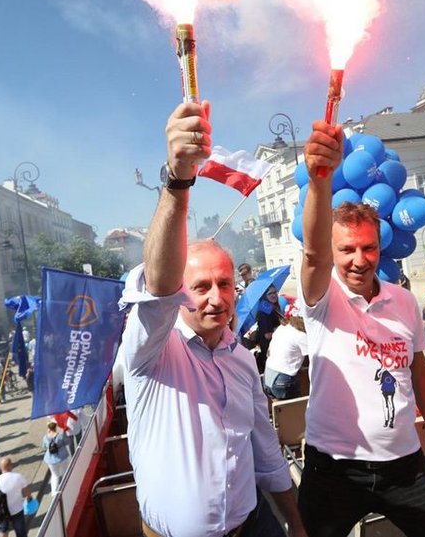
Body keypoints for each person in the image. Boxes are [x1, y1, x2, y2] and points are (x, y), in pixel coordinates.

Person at [119, 101, 303, 537]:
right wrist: (179, 179)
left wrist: (296, 525)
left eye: (224, 283)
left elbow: (264, 446)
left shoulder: (240, 358)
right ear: (181, 292)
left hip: (256, 526)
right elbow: (159, 287)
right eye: (201, 287)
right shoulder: (152, 352)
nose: (217, 298)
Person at [298, 121, 425, 537]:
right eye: (346, 250)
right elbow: (313, 256)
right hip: (333, 470)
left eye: (368, 247)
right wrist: (318, 182)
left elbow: (419, 373)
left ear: (380, 247)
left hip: (405, 467)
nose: (359, 259)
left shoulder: (403, 301)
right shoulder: (321, 299)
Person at [263, 303, 309, 400]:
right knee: (296, 411)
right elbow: (314, 358)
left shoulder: (282, 328)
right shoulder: (300, 335)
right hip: (283, 381)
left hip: (268, 377)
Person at [0, 458, 32, 537]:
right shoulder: (18, 477)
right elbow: (26, 492)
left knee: (3, 531)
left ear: (0, 468)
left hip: (1, 512)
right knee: (20, 532)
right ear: (11, 466)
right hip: (17, 510)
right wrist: (29, 498)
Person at [42, 421, 70, 492]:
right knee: (65, 473)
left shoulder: (45, 438)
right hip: (62, 457)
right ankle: (66, 488)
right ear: (55, 427)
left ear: (49, 428)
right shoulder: (61, 435)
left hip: (51, 460)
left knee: (54, 476)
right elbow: (67, 442)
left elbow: (44, 447)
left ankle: (54, 493)